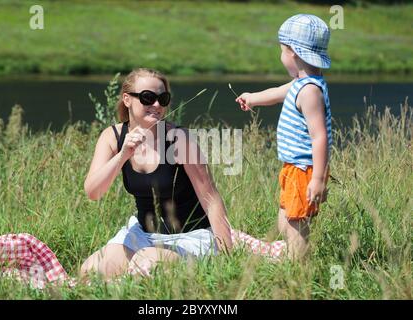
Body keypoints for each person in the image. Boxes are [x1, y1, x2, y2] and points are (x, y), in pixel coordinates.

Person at [80, 68, 287, 280]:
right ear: (127, 99)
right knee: (91, 271)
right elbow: (93, 192)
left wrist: (227, 255)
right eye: (148, 98)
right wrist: (123, 155)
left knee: (147, 264)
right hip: (143, 233)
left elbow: (211, 198)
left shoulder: (179, 139)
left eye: (163, 98)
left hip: (190, 236)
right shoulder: (113, 136)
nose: (157, 105)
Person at [235, 14, 332, 260]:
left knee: (296, 223)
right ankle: (291, 256)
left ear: (293, 54)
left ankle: (298, 268)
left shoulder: (310, 92)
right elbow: (278, 93)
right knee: (286, 219)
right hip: (292, 167)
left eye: (282, 51)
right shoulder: (301, 83)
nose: (281, 57)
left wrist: (318, 178)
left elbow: (319, 137)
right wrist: (252, 97)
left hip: (304, 169)